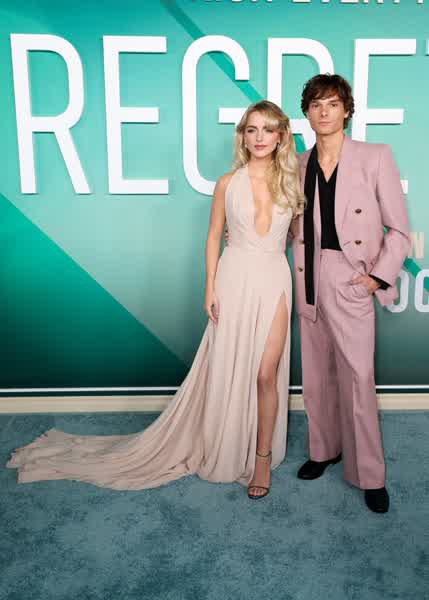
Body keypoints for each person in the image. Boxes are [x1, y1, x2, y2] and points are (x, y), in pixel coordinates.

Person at [7, 101, 304, 499]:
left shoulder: (292, 182)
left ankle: (262, 457)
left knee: (267, 373)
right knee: (231, 365)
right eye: (252, 130)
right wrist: (210, 286)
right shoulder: (227, 183)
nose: (260, 137)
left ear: (281, 136)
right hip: (234, 277)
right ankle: (229, 443)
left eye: (268, 130)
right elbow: (213, 235)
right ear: (243, 136)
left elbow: (296, 236)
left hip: (274, 277)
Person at [291, 74, 410, 513]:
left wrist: (376, 278)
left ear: (346, 110)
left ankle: (370, 474)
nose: (324, 112)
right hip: (308, 274)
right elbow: (287, 222)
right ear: (306, 113)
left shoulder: (375, 156)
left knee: (358, 378)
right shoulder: (297, 164)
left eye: (332, 104)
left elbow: (399, 230)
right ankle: (324, 450)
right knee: (317, 375)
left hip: (351, 275)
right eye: (315, 105)